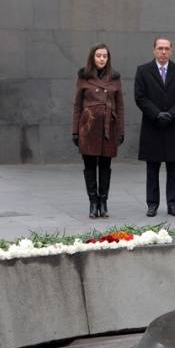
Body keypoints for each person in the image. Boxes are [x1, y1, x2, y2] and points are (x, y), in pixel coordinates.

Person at [134, 37, 175, 217]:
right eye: (160, 48)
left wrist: (172, 114)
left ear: (171, 50)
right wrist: (157, 113)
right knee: (152, 169)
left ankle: (173, 204)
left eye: (167, 48)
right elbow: (140, 97)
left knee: (174, 169)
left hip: (174, 127)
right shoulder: (143, 71)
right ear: (154, 50)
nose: (163, 52)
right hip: (153, 126)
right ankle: (152, 204)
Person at [72, 43, 124, 218]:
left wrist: (120, 130)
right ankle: (93, 203)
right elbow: (77, 105)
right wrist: (75, 131)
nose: (101, 59)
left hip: (108, 128)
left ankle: (103, 201)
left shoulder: (115, 78)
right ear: (92, 58)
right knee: (89, 166)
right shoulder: (84, 77)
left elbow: (120, 106)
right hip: (88, 128)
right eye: (98, 55)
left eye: (104, 56)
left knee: (105, 166)